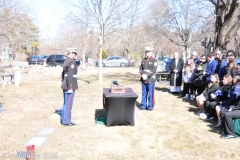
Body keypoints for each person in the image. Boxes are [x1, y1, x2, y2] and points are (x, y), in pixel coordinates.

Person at [61, 48, 78, 126]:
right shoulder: (71, 62)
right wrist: (70, 88)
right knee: (68, 104)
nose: (75, 55)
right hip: (69, 86)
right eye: (75, 53)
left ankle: (65, 120)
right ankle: (67, 121)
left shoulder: (66, 61)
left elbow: (63, 73)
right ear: (72, 53)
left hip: (65, 84)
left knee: (65, 103)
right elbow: (70, 76)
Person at [220, 74, 240, 139]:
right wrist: (232, 107)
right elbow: (237, 102)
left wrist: (233, 108)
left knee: (227, 115)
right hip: (237, 107)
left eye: (234, 78)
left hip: (238, 109)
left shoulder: (237, 87)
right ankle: (225, 130)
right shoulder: (236, 87)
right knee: (222, 111)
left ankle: (231, 134)